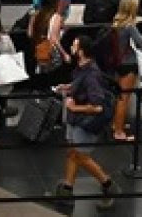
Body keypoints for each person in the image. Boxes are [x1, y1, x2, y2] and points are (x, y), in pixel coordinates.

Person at [50, 36, 118, 210]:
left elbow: (97, 107)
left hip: (84, 123)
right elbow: (78, 85)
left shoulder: (92, 75)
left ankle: (108, 184)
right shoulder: (81, 68)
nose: (71, 47)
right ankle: (67, 188)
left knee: (81, 156)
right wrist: (67, 87)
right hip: (75, 121)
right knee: (73, 153)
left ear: (80, 51)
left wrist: (74, 108)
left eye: (74, 45)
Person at [109, 0, 142, 142]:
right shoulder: (129, 26)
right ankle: (119, 132)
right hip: (129, 64)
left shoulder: (115, 23)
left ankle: (115, 124)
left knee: (118, 97)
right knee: (124, 99)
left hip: (116, 64)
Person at [30, 0, 70, 75]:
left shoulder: (35, 15)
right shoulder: (56, 17)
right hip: (52, 54)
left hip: (38, 50)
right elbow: (54, 39)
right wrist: (64, 54)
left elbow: (29, 33)